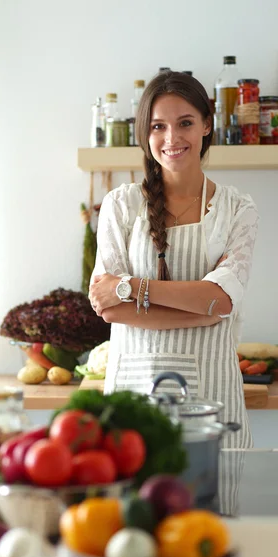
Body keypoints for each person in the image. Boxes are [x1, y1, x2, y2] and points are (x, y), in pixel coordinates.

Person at [89, 71, 258, 448]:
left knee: (214, 506)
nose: (171, 138)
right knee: (136, 505)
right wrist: (202, 312)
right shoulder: (121, 205)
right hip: (135, 394)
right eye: (158, 126)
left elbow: (223, 300)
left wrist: (133, 288)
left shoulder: (236, 209)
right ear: (145, 135)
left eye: (185, 123)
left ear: (207, 125)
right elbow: (108, 306)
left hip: (214, 401)